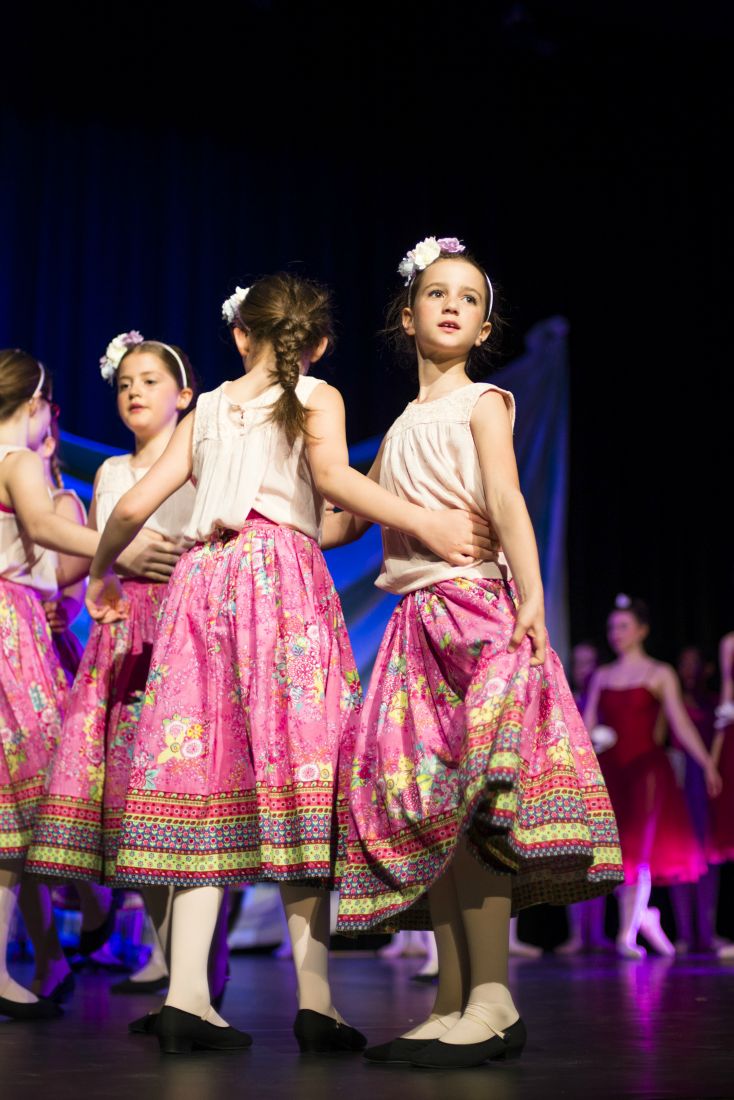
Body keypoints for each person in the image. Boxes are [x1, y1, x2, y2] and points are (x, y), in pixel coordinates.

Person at [84, 273, 491, 1055]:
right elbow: (329, 488)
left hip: (203, 586)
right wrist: (427, 524)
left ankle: (187, 994)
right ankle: (316, 999)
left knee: (198, 777)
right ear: (320, 343)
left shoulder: (206, 409)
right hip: (285, 587)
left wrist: (106, 569)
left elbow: (135, 507)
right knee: (305, 775)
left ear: (242, 335)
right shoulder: (320, 397)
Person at [332, 236, 623, 1070]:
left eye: (466, 296)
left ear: (484, 325)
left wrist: (529, 592)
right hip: (414, 627)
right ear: (407, 313)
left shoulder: (482, 403)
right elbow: (346, 522)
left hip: (472, 610)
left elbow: (504, 495)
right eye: (435, 293)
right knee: (438, 813)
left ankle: (493, 998)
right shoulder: (397, 427)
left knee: (480, 808)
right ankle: (452, 996)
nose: (451, 304)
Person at [25, 334, 199, 1001]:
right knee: (130, 801)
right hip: (124, 637)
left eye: (150, 381)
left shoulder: (198, 462)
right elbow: (96, 565)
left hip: (185, 630)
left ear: (183, 396)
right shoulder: (109, 476)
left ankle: (198, 970)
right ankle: (162, 953)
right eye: (125, 382)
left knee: (185, 792)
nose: (134, 392)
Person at [0, 348, 121, 1019]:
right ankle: (85, 904)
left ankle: (51, 942)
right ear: (39, 405)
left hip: (21, 618)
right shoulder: (17, 461)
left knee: (15, 808)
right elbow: (49, 533)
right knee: (34, 794)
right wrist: (123, 542)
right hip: (9, 630)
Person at [584, 595, 721, 959]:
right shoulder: (602, 675)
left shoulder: (659, 673)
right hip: (611, 772)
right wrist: (589, 749)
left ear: (642, 630)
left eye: (624, 626)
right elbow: (587, 726)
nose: (616, 633)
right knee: (613, 856)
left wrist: (707, 763)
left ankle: (626, 936)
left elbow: (680, 723)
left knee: (638, 850)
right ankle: (645, 915)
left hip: (646, 770)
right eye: (612, 627)